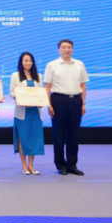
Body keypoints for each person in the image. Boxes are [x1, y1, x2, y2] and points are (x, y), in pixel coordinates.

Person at [44, 39, 89, 176]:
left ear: (72, 49)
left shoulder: (79, 64)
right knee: (59, 134)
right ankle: (61, 165)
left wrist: (83, 103)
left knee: (73, 134)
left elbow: (83, 85)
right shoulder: (52, 65)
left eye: (69, 47)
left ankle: (72, 165)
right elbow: (47, 87)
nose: (67, 50)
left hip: (76, 100)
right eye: (64, 47)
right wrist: (49, 104)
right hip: (58, 100)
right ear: (59, 49)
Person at [10, 52, 45, 175]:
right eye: (25, 60)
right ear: (21, 62)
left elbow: (41, 93)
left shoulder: (38, 76)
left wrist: (41, 102)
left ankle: (31, 165)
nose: (28, 63)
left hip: (35, 112)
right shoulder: (15, 75)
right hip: (21, 112)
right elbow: (12, 92)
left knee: (33, 138)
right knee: (23, 138)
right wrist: (21, 99)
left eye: (30, 60)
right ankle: (24, 165)